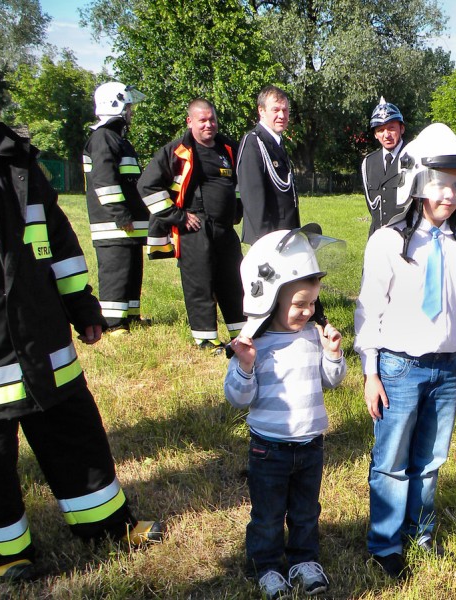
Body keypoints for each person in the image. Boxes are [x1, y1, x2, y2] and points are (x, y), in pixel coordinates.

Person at [0, 123, 162, 581]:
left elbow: (58, 242)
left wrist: (81, 304)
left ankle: (106, 525)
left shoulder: (16, 158)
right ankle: (6, 554)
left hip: (42, 334)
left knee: (75, 432)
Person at [354, 123, 456, 580]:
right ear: (419, 182)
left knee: (430, 461)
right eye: (440, 183)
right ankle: (385, 543)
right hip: (399, 369)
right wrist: (371, 371)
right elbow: (369, 309)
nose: (448, 195)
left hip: (445, 371)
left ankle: (420, 533)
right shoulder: (388, 241)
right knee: (391, 461)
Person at [225, 225, 346, 599]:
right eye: (299, 304)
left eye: (312, 303)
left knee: (307, 511)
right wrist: (244, 367)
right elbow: (237, 398)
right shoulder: (253, 345)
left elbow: (332, 381)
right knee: (268, 515)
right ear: (270, 297)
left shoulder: (313, 334)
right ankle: (266, 566)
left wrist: (333, 353)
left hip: (310, 445)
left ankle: (304, 561)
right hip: (269, 450)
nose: (308, 310)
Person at [138, 99, 245, 353]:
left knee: (233, 281)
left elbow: (239, 185)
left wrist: (237, 211)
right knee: (200, 284)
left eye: (212, 119)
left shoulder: (228, 147)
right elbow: (146, 186)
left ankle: (240, 333)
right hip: (195, 228)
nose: (209, 124)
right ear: (190, 122)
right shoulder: (177, 150)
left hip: (224, 229)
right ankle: (206, 339)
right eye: (202, 120)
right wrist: (178, 216)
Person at [82, 82, 151, 334]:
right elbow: (104, 181)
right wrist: (120, 215)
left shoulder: (118, 139)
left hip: (127, 225)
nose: (131, 110)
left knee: (131, 270)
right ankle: (112, 324)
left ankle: (131, 316)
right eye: (128, 105)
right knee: (116, 272)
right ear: (116, 104)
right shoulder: (103, 138)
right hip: (113, 225)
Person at [237, 85, 299, 245]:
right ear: (262, 111)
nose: (282, 115)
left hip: (285, 232)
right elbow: (253, 198)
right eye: (276, 110)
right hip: (269, 237)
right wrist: (266, 241)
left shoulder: (276, 141)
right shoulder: (254, 142)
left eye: (285, 110)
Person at [361, 97, 406, 236]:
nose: (386, 135)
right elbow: (372, 206)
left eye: (391, 128)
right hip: (377, 237)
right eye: (380, 130)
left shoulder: (414, 155)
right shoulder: (368, 163)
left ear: (401, 128)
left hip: (408, 238)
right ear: (375, 134)